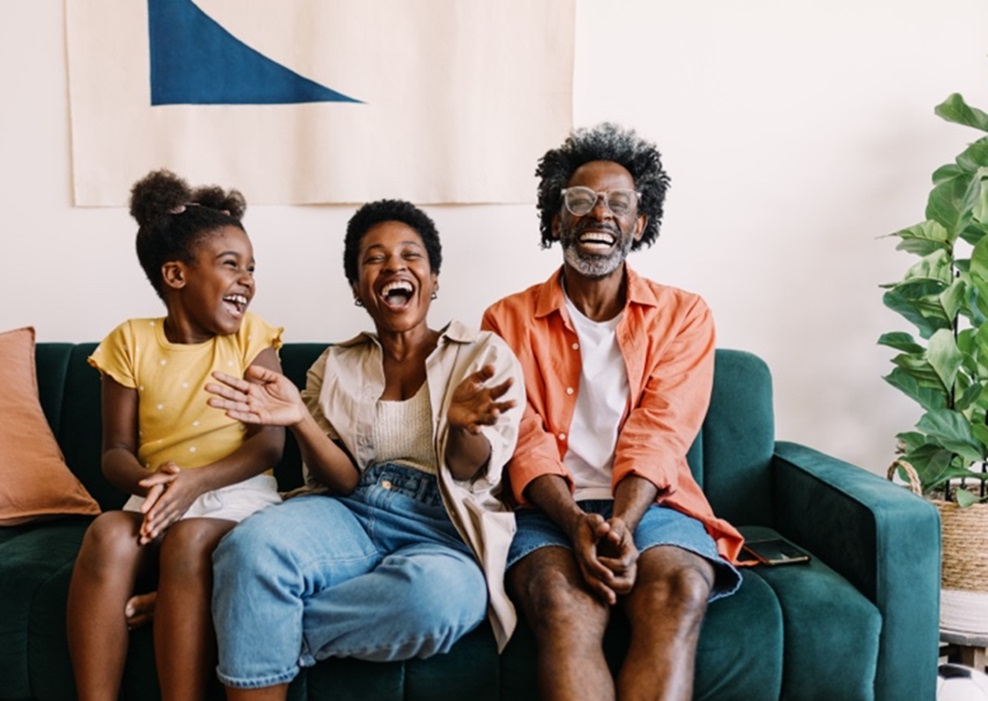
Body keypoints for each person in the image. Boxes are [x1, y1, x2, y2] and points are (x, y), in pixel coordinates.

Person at [205, 199, 524, 700]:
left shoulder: (484, 355)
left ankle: (249, 618)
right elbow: (344, 481)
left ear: (434, 278)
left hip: (444, 528)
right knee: (252, 548)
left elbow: (469, 473)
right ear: (358, 287)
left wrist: (462, 427)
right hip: (352, 510)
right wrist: (301, 420)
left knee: (439, 599)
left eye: (410, 255)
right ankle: (248, 608)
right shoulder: (333, 365)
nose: (394, 265)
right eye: (374, 258)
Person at [481, 123, 744, 701]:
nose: (599, 214)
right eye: (580, 201)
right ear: (556, 220)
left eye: (618, 204)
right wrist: (576, 522)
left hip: (654, 505)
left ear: (639, 225)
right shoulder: (506, 320)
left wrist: (621, 523)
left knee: (678, 592)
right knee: (559, 600)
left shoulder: (684, 315)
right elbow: (520, 439)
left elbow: (661, 432)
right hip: (547, 510)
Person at [66, 170, 286, 701]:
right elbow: (114, 450)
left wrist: (197, 483)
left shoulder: (253, 337)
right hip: (157, 494)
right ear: (176, 274)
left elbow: (269, 445)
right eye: (230, 264)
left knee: (187, 541)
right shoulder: (129, 342)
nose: (247, 280)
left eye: (251, 268)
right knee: (106, 534)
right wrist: (152, 482)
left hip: (235, 496)